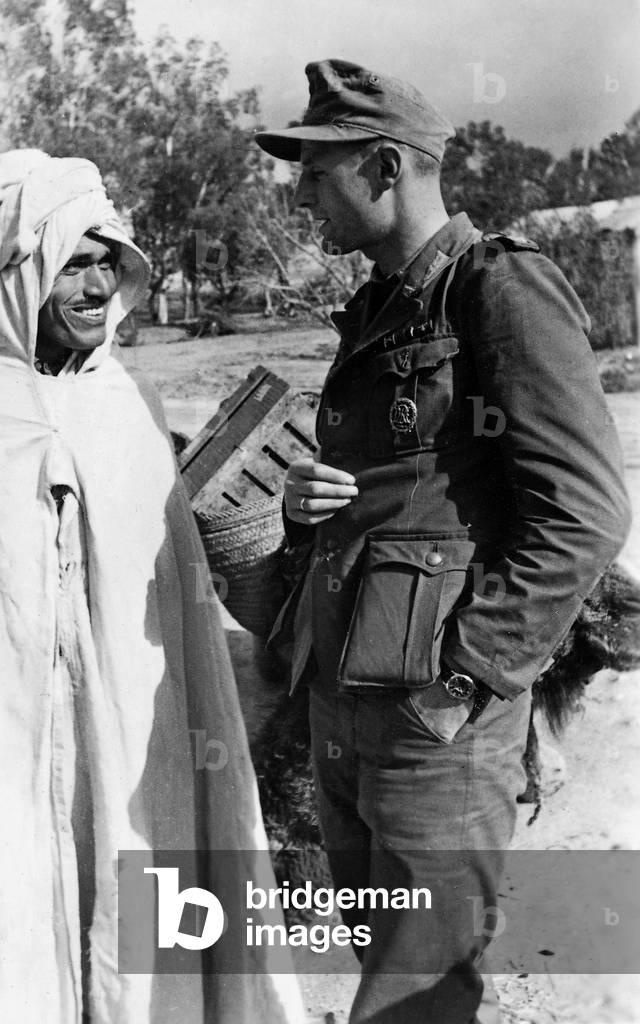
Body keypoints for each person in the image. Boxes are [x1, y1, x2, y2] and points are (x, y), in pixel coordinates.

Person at [256, 60, 631, 1023]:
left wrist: (465, 684)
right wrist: (313, 503)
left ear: (384, 166)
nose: (300, 194)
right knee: (386, 963)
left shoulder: (500, 287)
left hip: (436, 723)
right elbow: (413, 490)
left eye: (316, 170)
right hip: (353, 701)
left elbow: (583, 511)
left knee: (417, 995)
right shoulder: (383, 304)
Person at [0, 151, 304, 1024]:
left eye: (108, 262)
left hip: (120, 724)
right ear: (19, 276)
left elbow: (175, 602)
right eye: (71, 264)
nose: (96, 287)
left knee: (135, 887)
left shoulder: (125, 403)